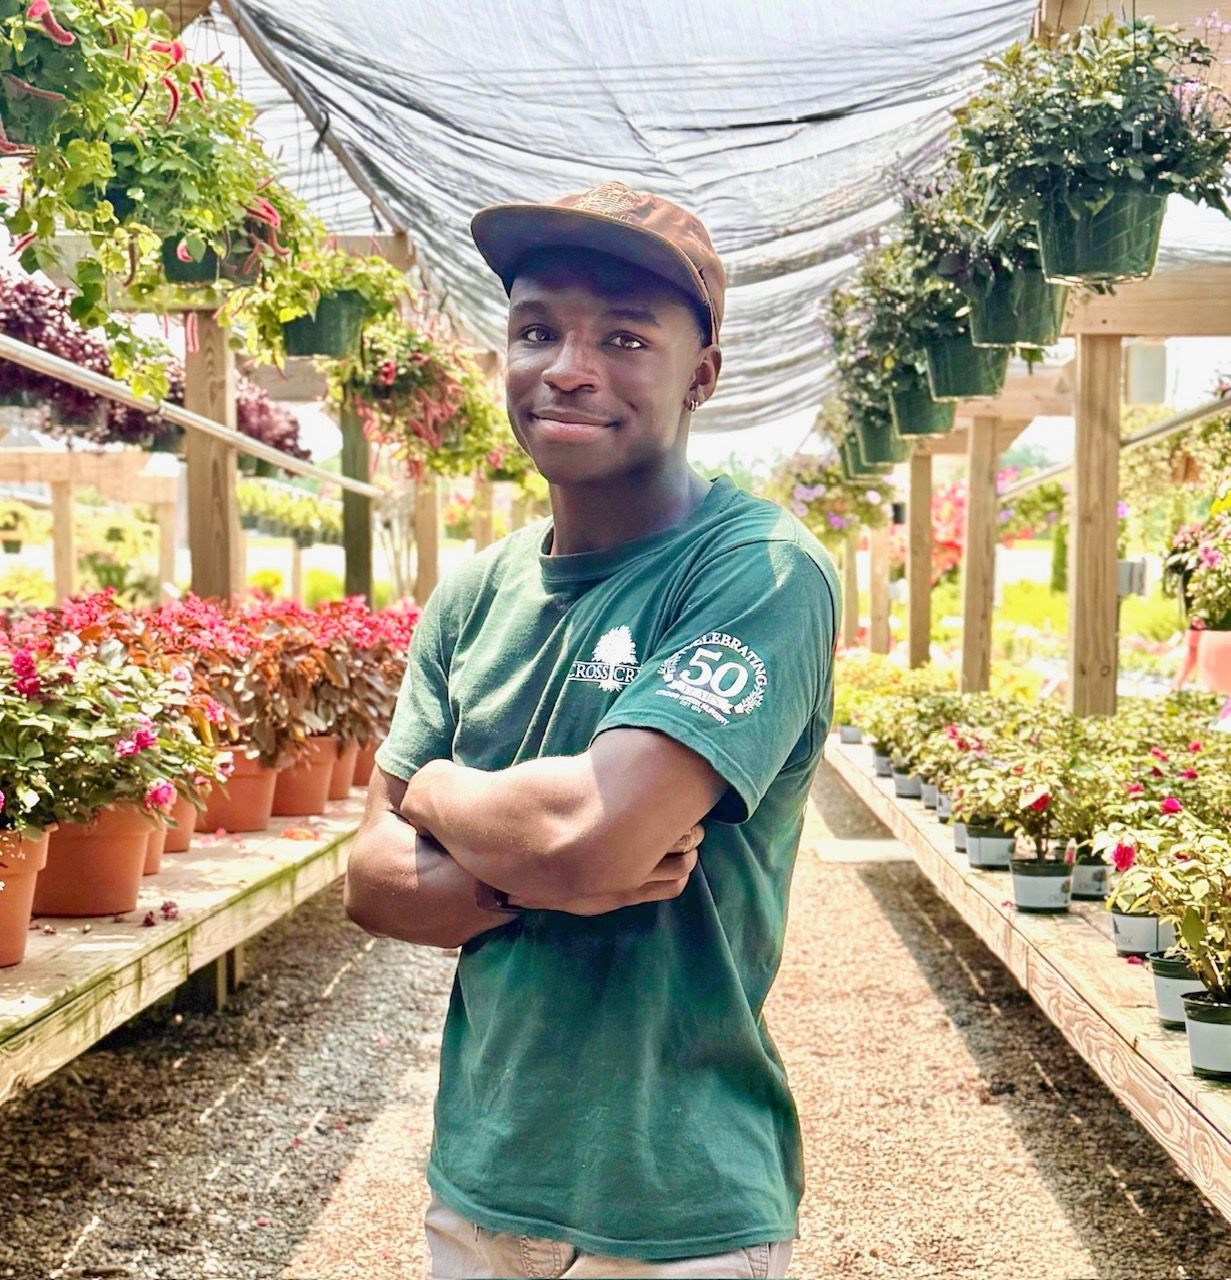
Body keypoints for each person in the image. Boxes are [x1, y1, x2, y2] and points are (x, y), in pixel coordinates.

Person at [344, 181, 841, 1280]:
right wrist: (533, 853)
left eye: (623, 336)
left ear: (699, 377)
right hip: (479, 1180)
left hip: (678, 1205)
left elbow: (592, 837)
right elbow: (370, 884)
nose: (566, 365)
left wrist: (433, 794)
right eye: (536, 329)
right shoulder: (473, 595)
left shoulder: (757, 572)